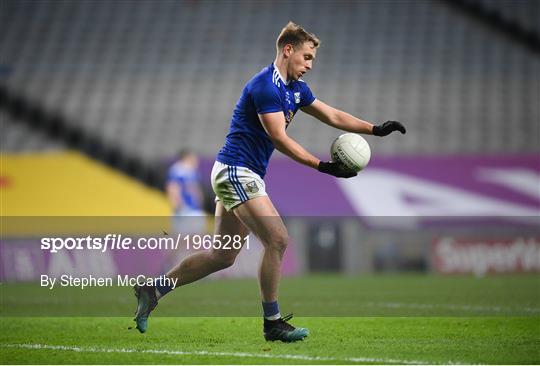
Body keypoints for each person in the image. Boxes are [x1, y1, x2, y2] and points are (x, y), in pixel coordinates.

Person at [134, 21, 406, 342]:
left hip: (235, 172)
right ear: (287, 50)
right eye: (306, 57)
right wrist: (322, 166)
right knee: (277, 239)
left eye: (313, 60)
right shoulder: (265, 85)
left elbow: (331, 115)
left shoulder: (296, 90)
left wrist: (375, 129)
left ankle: (153, 290)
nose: (309, 65)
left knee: (223, 255)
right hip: (237, 170)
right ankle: (272, 322)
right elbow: (278, 137)